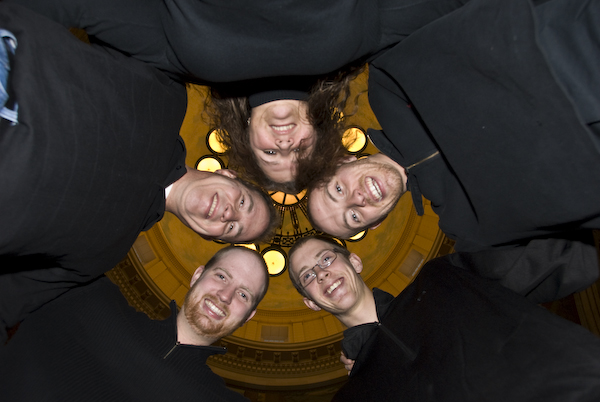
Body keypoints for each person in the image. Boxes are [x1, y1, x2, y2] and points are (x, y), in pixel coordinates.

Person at [0, 4, 276, 343]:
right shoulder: (168, 93)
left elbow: (6, 303)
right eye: (244, 203)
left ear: (207, 235)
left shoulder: (102, 255)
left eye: (232, 229)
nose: (229, 214)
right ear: (230, 175)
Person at [288, 236, 600, 401]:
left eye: (326, 259)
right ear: (310, 302)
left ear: (354, 262)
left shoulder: (442, 277)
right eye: (308, 276)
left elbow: (559, 258)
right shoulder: (354, 395)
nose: (322, 273)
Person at [0, 246, 269, 401]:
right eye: (221, 276)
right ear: (197, 276)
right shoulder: (91, 297)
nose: (225, 295)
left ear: (248, 317)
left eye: (243, 295)